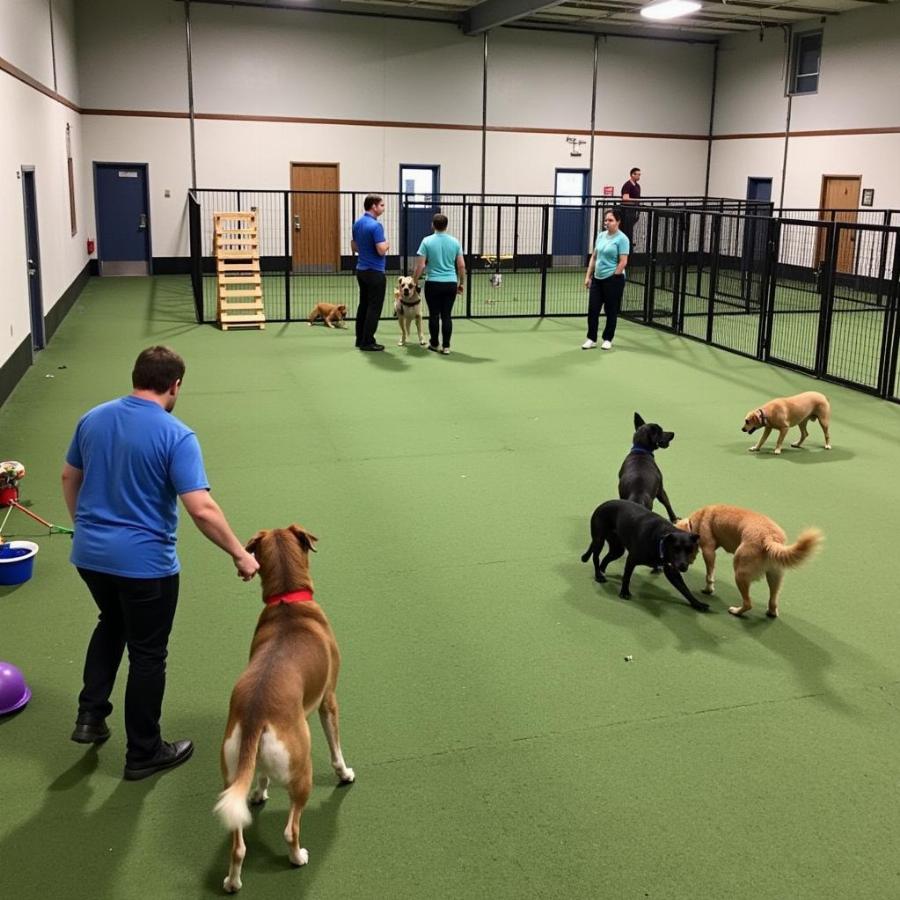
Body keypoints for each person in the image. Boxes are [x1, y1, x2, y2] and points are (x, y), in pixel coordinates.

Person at [62, 346, 259, 781]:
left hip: (90, 557)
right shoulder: (176, 435)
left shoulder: (92, 418)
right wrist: (241, 555)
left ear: (136, 377)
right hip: (145, 567)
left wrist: (86, 528)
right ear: (175, 385)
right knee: (148, 653)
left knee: (111, 623)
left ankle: (90, 716)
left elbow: (68, 477)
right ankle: (144, 752)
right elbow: (201, 508)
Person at [413, 213, 465, 355]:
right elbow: (461, 266)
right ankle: (446, 346)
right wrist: (461, 283)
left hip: (433, 283)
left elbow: (421, 265)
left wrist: (414, 281)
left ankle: (434, 343)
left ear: (433, 225)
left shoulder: (426, 241)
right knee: (447, 315)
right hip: (450, 283)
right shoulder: (455, 242)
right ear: (446, 226)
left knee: (434, 314)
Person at [582, 209, 630, 351]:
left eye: (610, 220)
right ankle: (591, 338)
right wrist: (588, 276)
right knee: (593, 310)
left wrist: (615, 277)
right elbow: (594, 257)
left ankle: (608, 339)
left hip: (613, 280)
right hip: (597, 279)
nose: (607, 223)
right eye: (606, 220)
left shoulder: (622, 239)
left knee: (611, 310)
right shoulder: (601, 236)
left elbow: (623, 261)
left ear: (618, 222)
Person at [351, 194, 390, 351]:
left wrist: (366, 252)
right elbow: (381, 250)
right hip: (375, 271)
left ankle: (360, 339)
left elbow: (354, 246)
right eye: (381, 205)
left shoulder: (357, 223)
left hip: (361, 270)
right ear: (373, 206)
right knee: (374, 307)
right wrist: (387, 244)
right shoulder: (376, 226)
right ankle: (368, 341)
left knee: (364, 305)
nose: (383, 208)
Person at [619, 166, 642, 247]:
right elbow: (625, 198)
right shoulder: (627, 185)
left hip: (634, 210)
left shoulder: (637, 186)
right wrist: (636, 200)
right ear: (632, 175)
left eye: (640, 175)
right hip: (628, 211)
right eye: (638, 174)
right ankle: (626, 244)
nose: (639, 176)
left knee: (630, 229)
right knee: (627, 229)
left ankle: (629, 243)